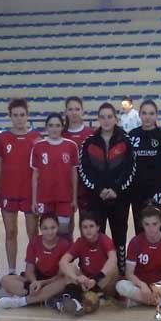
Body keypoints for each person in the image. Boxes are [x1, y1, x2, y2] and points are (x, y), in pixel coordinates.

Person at [78, 102, 136, 268]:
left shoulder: (126, 140)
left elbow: (130, 169)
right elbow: (84, 170)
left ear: (115, 119)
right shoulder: (89, 142)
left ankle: (120, 269)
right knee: (97, 236)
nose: (106, 120)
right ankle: (99, 270)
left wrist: (116, 189)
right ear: (98, 119)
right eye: (102, 117)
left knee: (119, 236)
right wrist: (99, 190)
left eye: (109, 117)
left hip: (119, 198)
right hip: (96, 198)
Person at [0, 98, 40, 277]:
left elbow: (39, 169)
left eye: (22, 115)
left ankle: (33, 269)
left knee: (33, 233)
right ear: (10, 116)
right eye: (15, 115)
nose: (19, 118)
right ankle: (12, 271)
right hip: (8, 192)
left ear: (27, 116)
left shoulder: (36, 138)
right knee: (10, 232)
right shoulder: (2, 138)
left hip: (29, 193)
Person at [0, 214, 72, 310]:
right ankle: (44, 298)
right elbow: (29, 270)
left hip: (53, 281)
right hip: (36, 280)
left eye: (53, 228)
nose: (49, 232)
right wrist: (34, 282)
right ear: (40, 229)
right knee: (5, 280)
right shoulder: (34, 242)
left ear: (58, 227)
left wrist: (42, 283)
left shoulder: (64, 244)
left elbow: (60, 275)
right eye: (45, 228)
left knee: (65, 281)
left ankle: (22, 301)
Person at [116, 206, 161, 310]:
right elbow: (129, 273)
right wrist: (142, 285)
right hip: (141, 285)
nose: (151, 228)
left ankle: (138, 301)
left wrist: (158, 286)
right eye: (147, 224)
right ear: (142, 224)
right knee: (121, 285)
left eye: (154, 224)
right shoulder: (135, 242)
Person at [58, 215, 120, 314]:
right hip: (87, 281)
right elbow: (63, 261)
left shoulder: (104, 239)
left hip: (102, 282)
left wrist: (96, 279)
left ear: (97, 228)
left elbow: (113, 259)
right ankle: (74, 300)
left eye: (91, 226)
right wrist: (77, 278)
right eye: (85, 227)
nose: (88, 230)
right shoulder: (80, 242)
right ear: (81, 229)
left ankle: (92, 295)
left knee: (114, 268)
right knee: (69, 267)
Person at [128, 99, 161, 234]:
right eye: (144, 113)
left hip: (158, 191)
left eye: (151, 113)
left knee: (160, 231)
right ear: (139, 115)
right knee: (141, 231)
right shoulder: (132, 136)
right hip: (137, 192)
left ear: (157, 115)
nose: (147, 117)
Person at [32, 113, 79, 237]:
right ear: (46, 127)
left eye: (57, 125)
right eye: (51, 125)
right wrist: (34, 200)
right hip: (44, 198)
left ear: (62, 127)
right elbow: (35, 175)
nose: (54, 129)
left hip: (64, 197)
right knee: (48, 234)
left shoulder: (71, 146)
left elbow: (74, 173)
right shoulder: (38, 146)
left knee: (63, 233)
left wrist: (74, 198)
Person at [63, 95, 94, 224]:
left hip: (86, 188)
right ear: (66, 112)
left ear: (82, 111)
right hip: (66, 187)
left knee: (86, 224)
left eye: (77, 109)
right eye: (70, 109)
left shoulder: (91, 134)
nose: (74, 112)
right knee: (66, 227)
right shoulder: (61, 134)